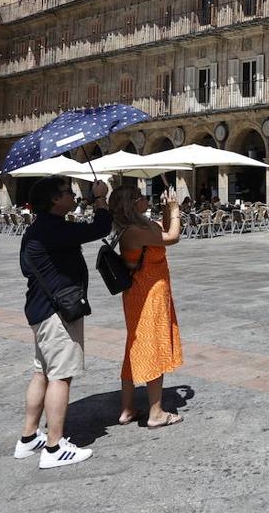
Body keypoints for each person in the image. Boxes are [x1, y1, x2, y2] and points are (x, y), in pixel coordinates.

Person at [15, 176, 110, 469]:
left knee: (41, 372)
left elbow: (24, 268)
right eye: (68, 192)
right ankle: (54, 447)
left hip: (38, 309)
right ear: (55, 200)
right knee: (61, 376)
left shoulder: (35, 230)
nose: (72, 195)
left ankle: (29, 437)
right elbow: (101, 227)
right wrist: (100, 198)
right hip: (57, 313)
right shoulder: (54, 228)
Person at [110, 184, 185, 429]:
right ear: (130, 204)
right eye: (140, 196)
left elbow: (159, 232)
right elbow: (171, 237)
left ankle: (128, 408)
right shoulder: (134, 230)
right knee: (152, 344)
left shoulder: (136, 226)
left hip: (140, 291)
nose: (145, 199)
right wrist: (175, 209)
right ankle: (156, 412)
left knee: (136, 343)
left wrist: (165, 210)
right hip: (148, 292)